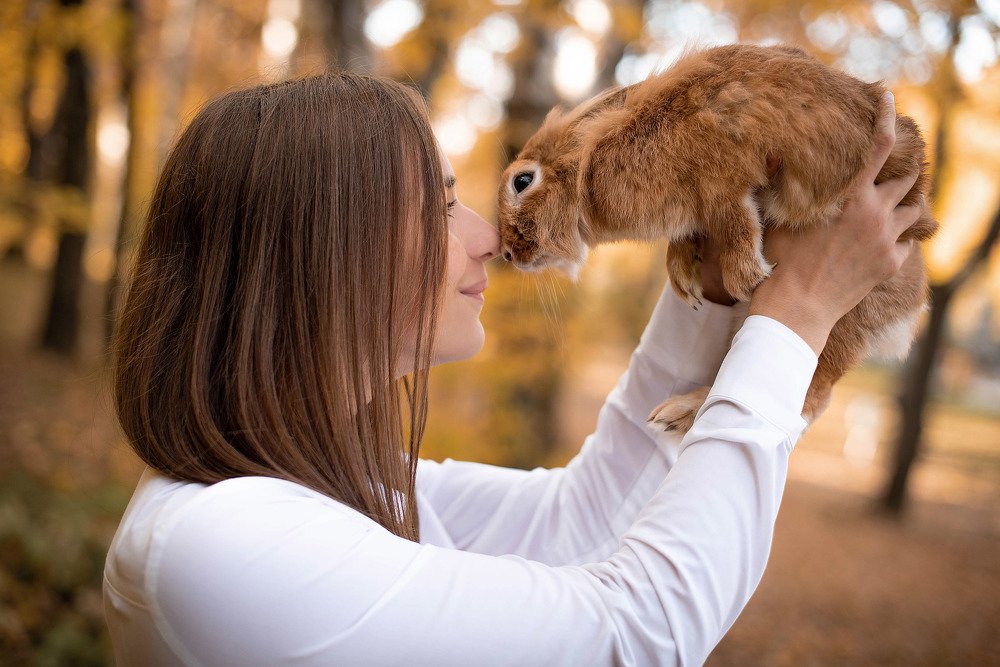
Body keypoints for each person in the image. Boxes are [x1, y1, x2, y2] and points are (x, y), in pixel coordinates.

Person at [103, 73, 920, 666]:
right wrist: (797, 316)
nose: (486, 235)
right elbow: (633, 636)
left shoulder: (332, 489)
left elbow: (580, 518)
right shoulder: (220, 547)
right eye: (438, 200)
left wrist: (715, 284)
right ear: (322, 253)